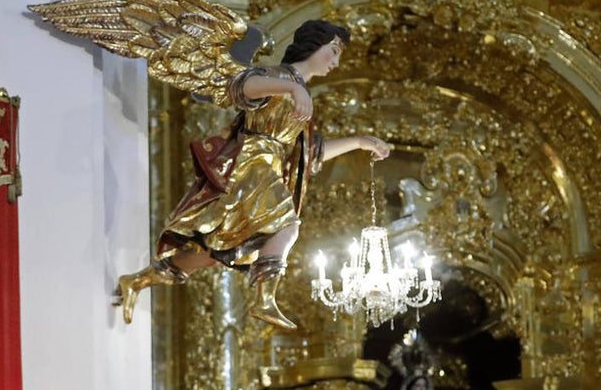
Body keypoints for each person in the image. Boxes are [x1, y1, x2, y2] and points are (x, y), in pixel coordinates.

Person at [111, 19, 391, 331]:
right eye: (334, 51)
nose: (336, 62)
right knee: (286, 226)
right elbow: (242, 86)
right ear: (315, 44)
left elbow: (310, 153)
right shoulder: (277, 76)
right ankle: (264, 301)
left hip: (270, 166)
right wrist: (292, 87)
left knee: (211, 253)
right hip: (251, 162)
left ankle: (136, 280)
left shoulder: (297, 92)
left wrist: (359, 142)